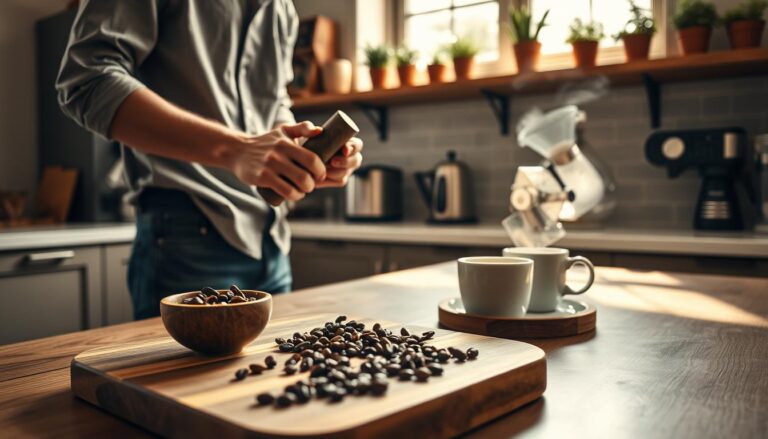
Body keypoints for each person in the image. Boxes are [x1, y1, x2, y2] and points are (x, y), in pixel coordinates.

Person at [56, 0, 363, 319]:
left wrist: (300, 153)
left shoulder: (281, 8)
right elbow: (86, 80)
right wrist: (238, 148)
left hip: (272, 241)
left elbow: (273, 105)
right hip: (185, 240)